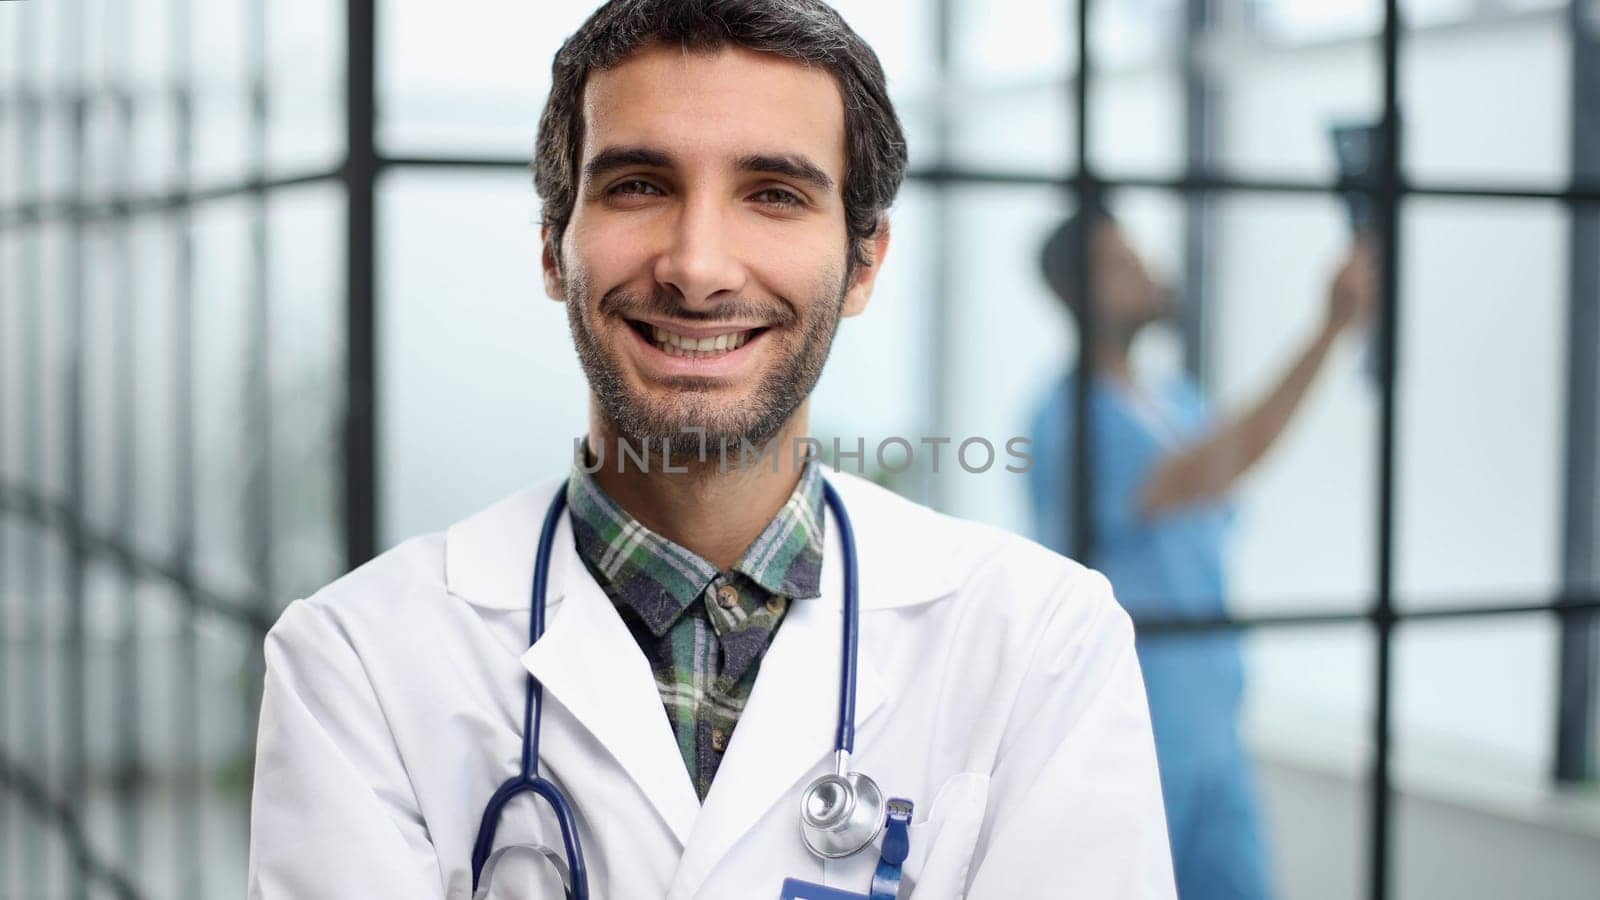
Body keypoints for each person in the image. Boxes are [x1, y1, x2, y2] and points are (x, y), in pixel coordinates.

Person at [247, 3, 1175, 898]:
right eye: (639, 186)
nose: (697, 266)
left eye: (772, 194)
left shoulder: (1042, 642)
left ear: (864, 264)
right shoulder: (357, 664)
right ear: (549, 246)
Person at [1026, 200, 1377, 900]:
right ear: (1076, 294)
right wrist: (1329, 328)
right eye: (1119, 265)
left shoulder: (1173, 400)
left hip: (1213, 726)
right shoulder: (1070, 420)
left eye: (1136, 256)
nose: (1146, 272)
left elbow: (1230, 456)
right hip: (1139, 728)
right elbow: (1230, 458)